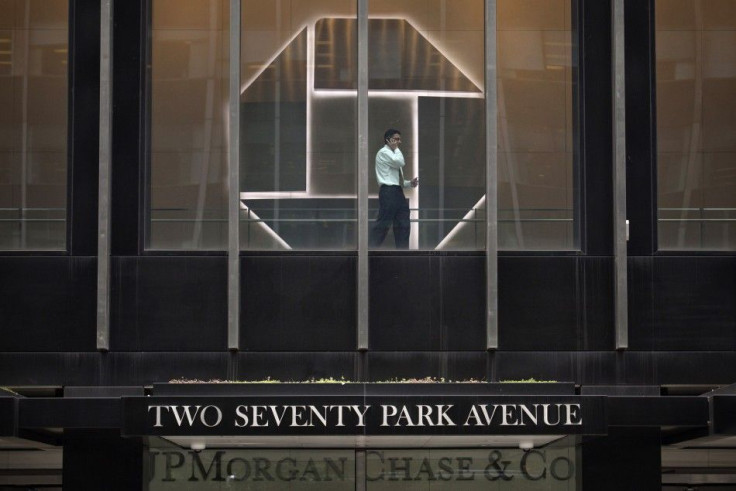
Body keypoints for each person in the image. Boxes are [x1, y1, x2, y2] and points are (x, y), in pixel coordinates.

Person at [369, 128, 419, 249]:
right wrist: (396, 148)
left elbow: (395, 179)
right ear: (388, 140)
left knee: (403, 222)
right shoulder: (384, 153)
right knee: (384, 222)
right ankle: (370, 248)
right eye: (396, 139)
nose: (399, 142)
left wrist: (408, 184)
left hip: (396, 191)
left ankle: (402, 251)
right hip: (388, 191)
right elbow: (400, 162)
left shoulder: (392, 154)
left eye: (399, 139)